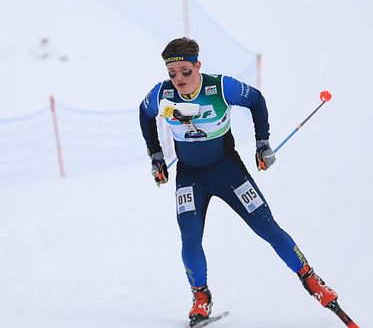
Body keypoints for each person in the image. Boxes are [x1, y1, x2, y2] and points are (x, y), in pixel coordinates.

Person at [138, 37, 339, 326]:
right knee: (190, 239)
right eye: (172, 74)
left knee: (267, 228)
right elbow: (144, 115)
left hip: (227, 172)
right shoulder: (162, 94)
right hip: (190, 177)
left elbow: (256, 99)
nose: (179, 80)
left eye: (185, 72)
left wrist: (262, 143)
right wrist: (156, 156)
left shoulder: (219, 86)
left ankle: (312, 280)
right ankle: (200, 298)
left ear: (198, 65)